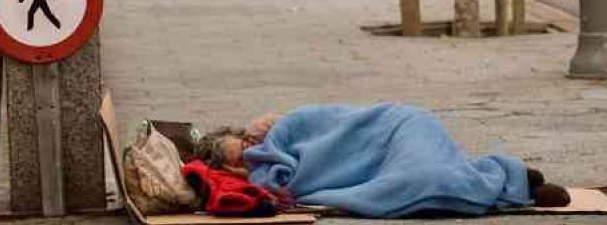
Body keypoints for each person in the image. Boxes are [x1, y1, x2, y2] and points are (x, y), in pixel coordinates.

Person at [194, 104, 570, 219]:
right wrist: (263, 162)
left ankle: (507, 177)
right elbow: (292, 183)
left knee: (423, 164)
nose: (251, 146)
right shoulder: (263, 174)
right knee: (416, 179)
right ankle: (508, 178)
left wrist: (276, 124)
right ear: (232, 168)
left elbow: (340, 125)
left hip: (394, 125)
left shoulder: (285, 126)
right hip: (381, 167)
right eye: (240, 154)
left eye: (245, 139)